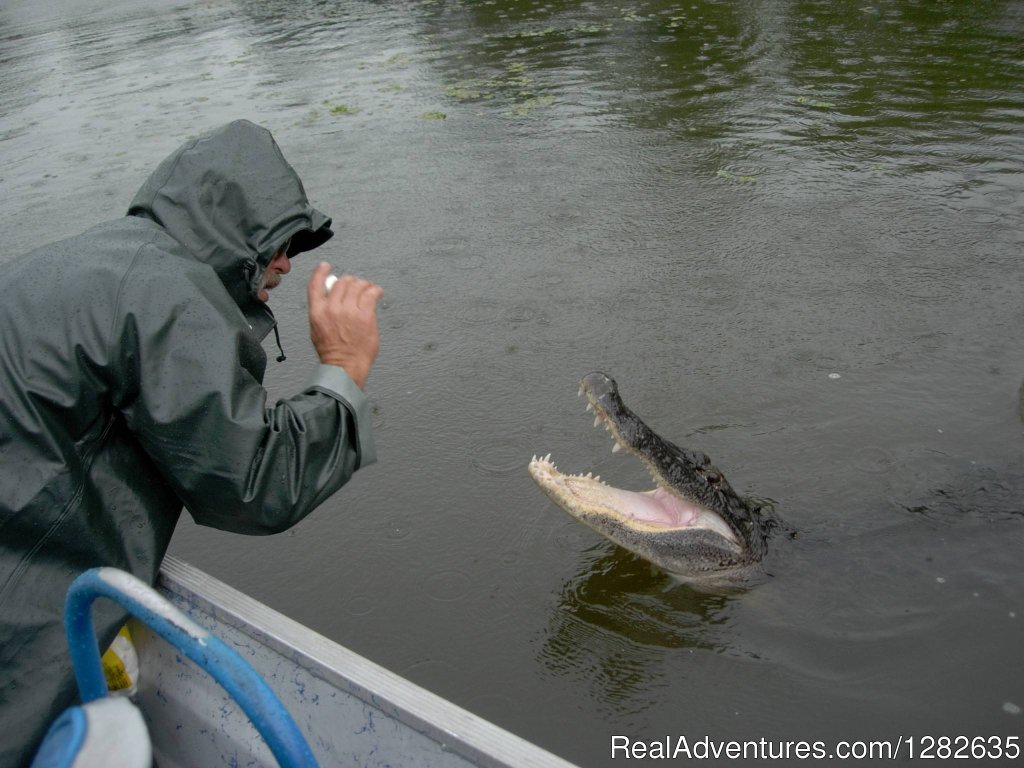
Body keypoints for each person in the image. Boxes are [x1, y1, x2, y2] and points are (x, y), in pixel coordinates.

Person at [0, 120, 383, 766]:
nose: (287, 262)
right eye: (280, 241)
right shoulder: (163, 291)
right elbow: (255, 480)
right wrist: (343, 369)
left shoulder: (100, 258)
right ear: (230, 229)